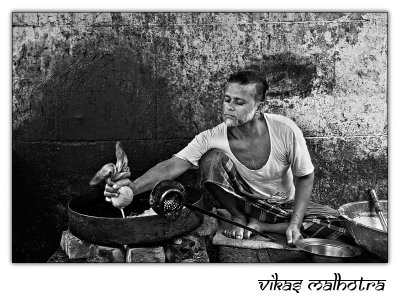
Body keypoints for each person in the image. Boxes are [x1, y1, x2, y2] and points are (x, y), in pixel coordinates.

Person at [104, 70, 349, 245]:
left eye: (239, 102)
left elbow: (305, 177)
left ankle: (263, 226)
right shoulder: (211, 137)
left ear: (259, 106)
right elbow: (171, 167)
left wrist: (295, 222)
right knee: (211, 159)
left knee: (342, 225)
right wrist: (131, 188)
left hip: (281, 207)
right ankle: (240, 218)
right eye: (227, 99)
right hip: (242, 204)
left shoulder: (285, 130)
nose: (229, 107)